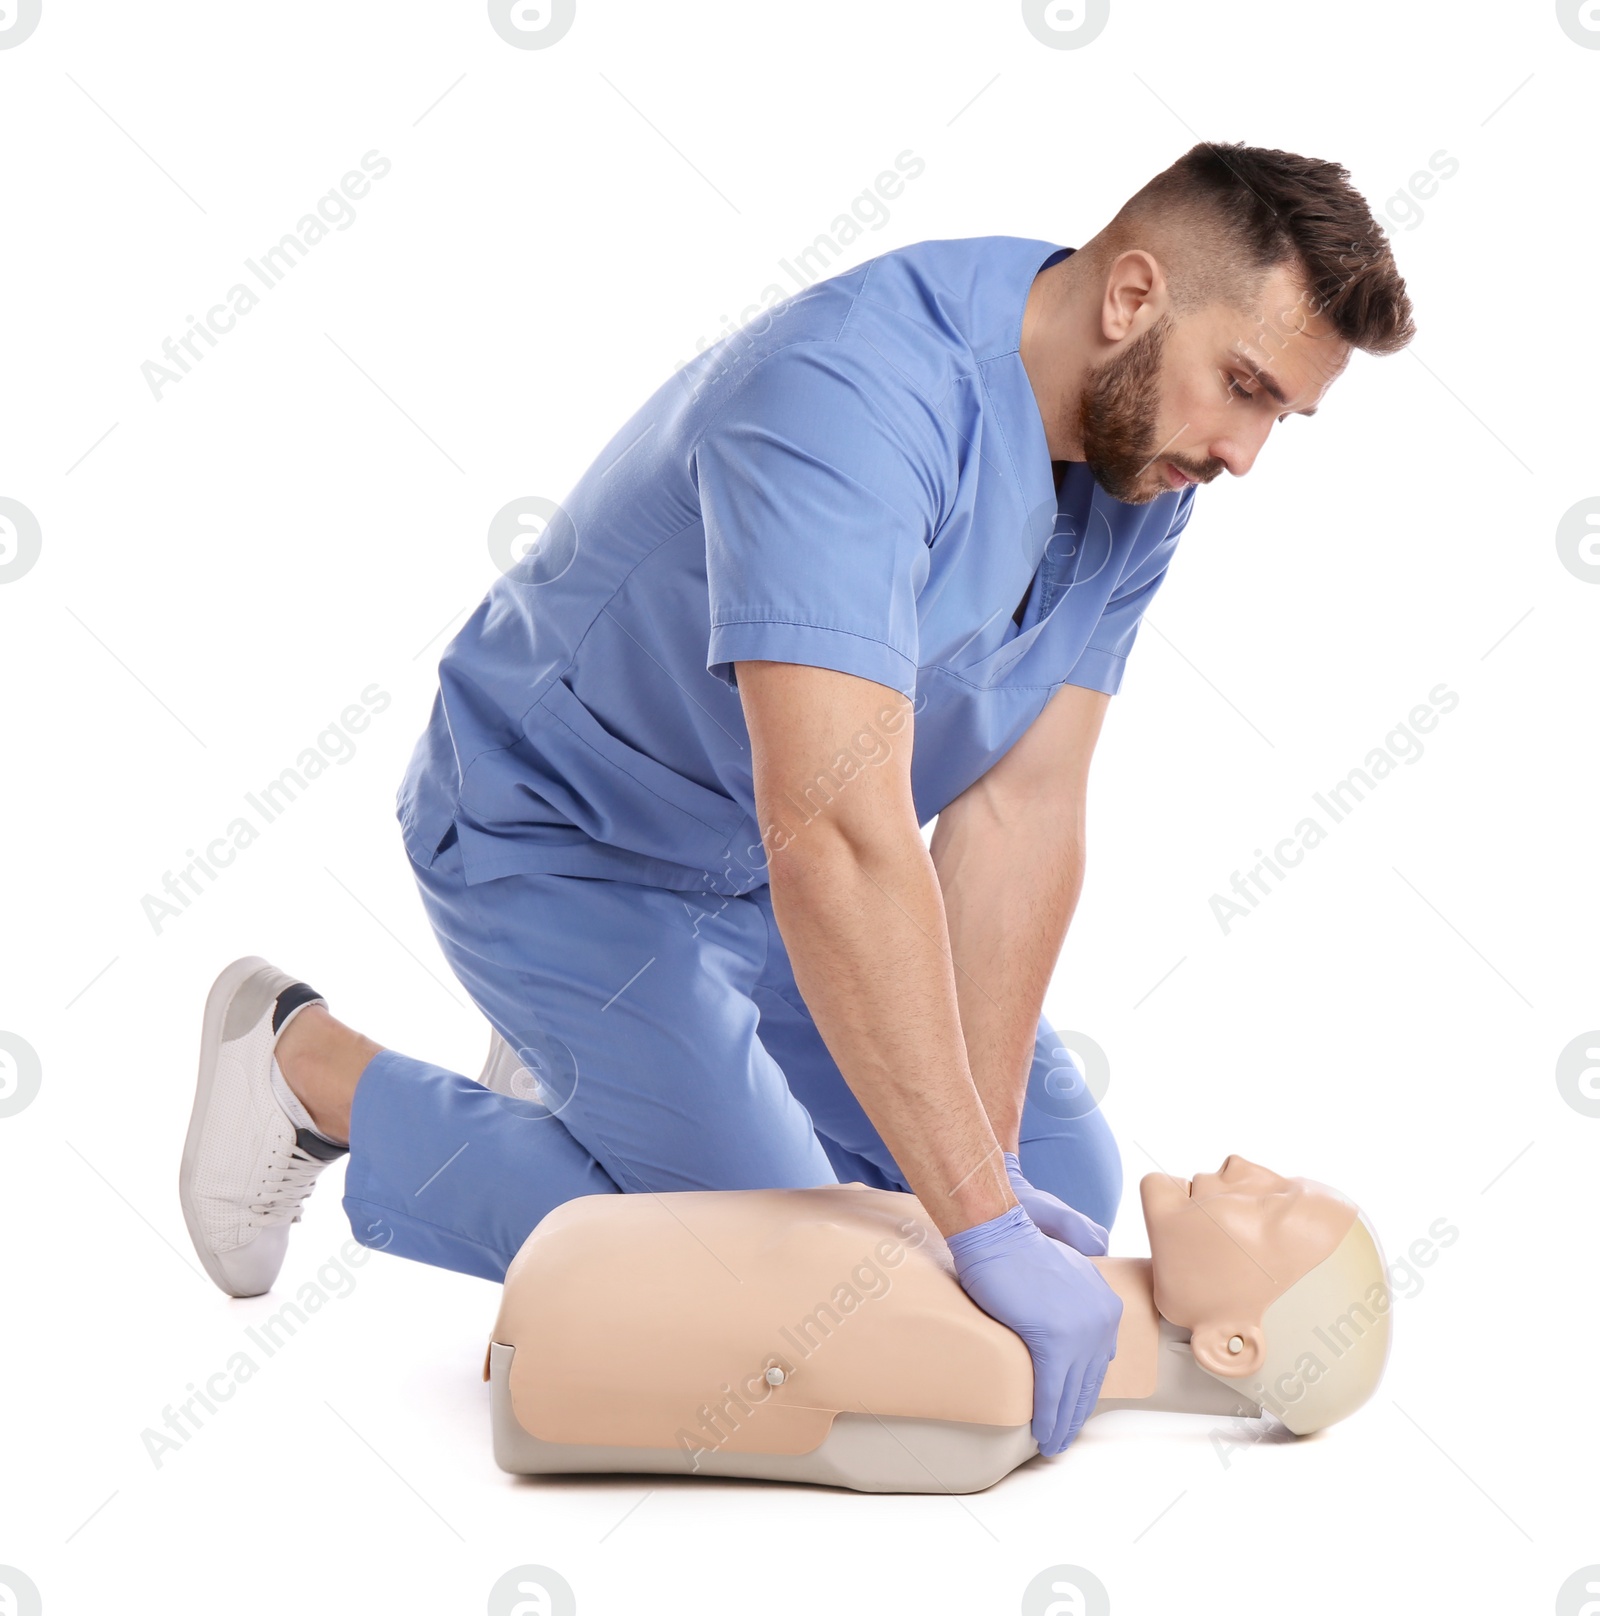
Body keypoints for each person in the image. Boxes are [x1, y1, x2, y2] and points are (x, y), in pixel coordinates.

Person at [176, 141, 1415, 1461]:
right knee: (777, 1251)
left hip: (777, 883)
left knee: (1059, 1184)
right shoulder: (850, 399)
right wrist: (972, 1230)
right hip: (567, 841)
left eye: (1281, 415)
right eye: (1243, 389)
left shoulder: (1139, 465)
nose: (1242, 453)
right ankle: (312, 1072)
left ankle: (616, 1095)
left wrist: (988, 1193)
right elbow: (833, 830)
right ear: (1131, 298)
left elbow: (1021, 813)